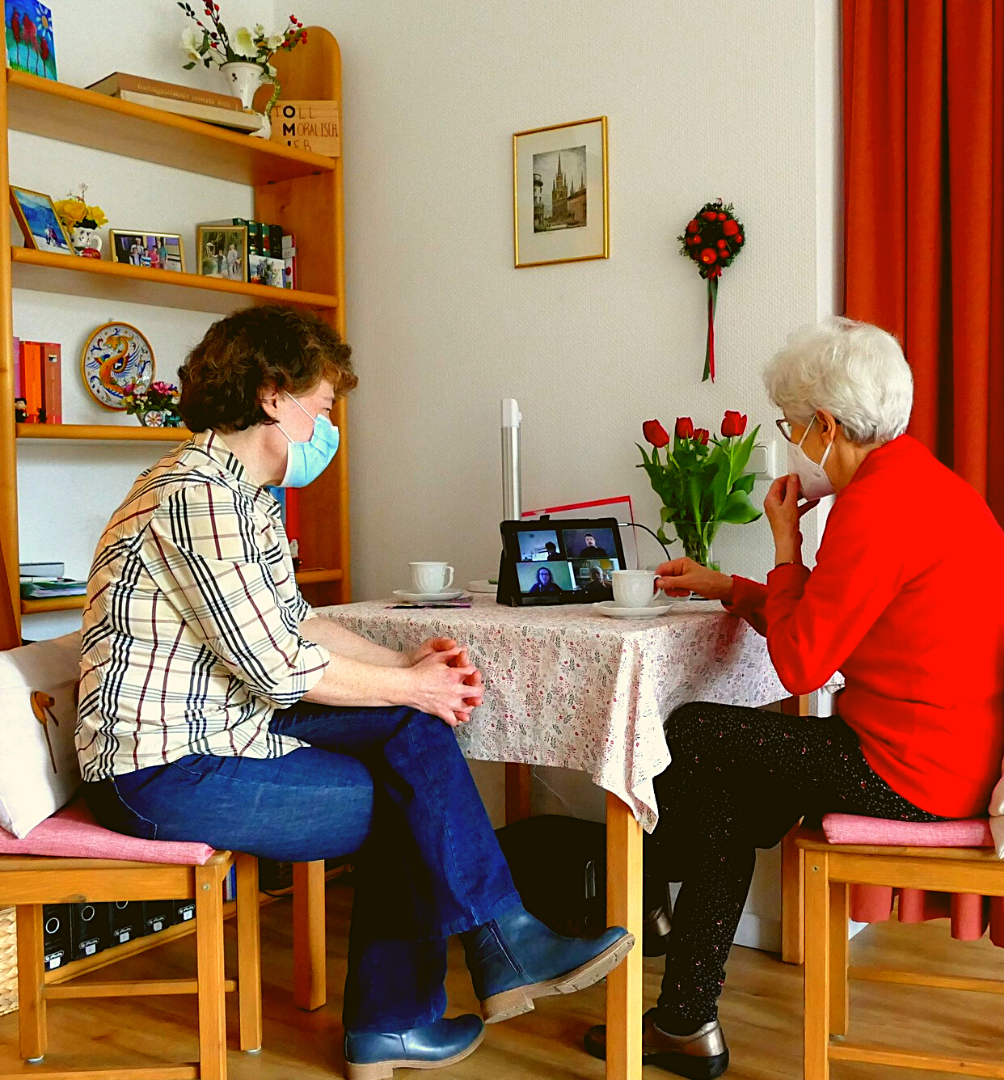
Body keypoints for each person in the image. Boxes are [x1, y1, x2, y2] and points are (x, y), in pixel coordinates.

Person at [76, 306, 632, 1078]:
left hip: (226, 732)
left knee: (413, 735)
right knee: (414, 794)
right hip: (161, 771)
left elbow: (299, 623)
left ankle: (486, 955)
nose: (330, 425)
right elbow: (277, 666)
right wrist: (409, 681)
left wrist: (407, 665)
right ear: (275, 396)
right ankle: (427, 997)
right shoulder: (195, 495)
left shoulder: (241, 495)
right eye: (325, 404)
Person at [584, 317, 1004, 1079]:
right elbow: (837, 613)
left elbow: (800, 664)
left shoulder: (875, 507)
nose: (789, 441)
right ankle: (684, 1015)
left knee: (691, 733)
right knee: (726, 784)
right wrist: (735, 588)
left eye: (789, 426)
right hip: (950, 754)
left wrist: (784, 546)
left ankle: (655, 895)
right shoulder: (920, 482)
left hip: (916, 774)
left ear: (824, 425)